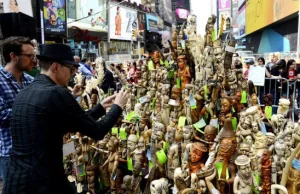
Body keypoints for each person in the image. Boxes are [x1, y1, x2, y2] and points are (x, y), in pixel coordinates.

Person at [3, 44, 129, 194]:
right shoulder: (56, 92)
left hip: (15, 180)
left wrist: (101, 107)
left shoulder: (26, 91)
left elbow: (75, 122)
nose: (72, 74)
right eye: (70, 69)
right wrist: (117, 107)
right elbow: (97, 131)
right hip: (41, 183)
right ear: (55, 67)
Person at [0, 37, 35, 184]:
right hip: (10, 153)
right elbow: (2, 116)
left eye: (34, 55)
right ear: (13, 56)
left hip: (33, 150)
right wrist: (32, 110)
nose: (33, 60)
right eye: (29, 56)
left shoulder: (29, 80)